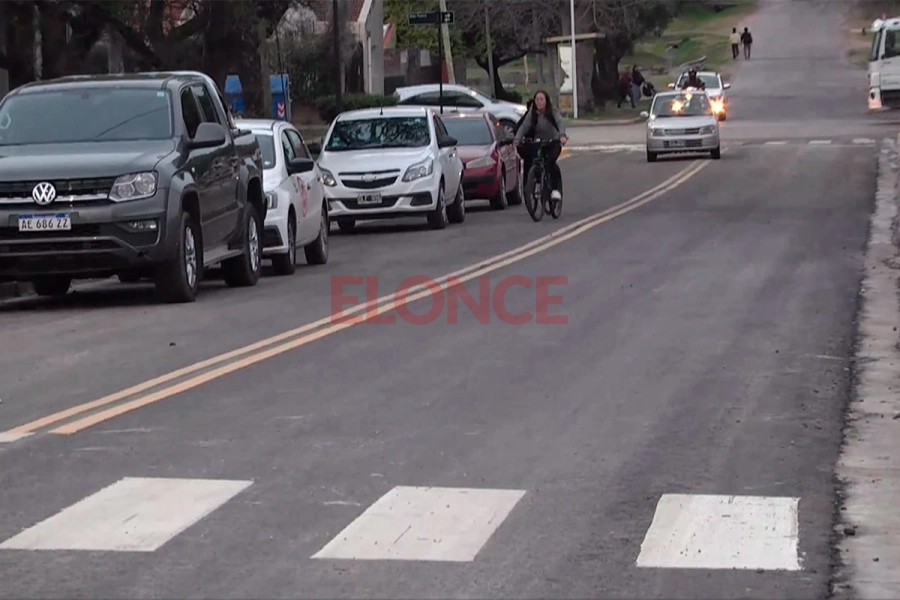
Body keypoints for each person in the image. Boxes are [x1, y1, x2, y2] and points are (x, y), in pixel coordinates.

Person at [514, 90, 568, 202]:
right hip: (540, 142)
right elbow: (524, 126)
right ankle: (537, 183)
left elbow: (560, 122)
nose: (539, 102)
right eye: (537, 99)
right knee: (536, 161)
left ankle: (555, 189)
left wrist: (562, 136)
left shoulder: (552, 111)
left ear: (546, 101)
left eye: (541, 99)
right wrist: (517, 139)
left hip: (553, 141)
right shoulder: (532, 114)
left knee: (550, 161)